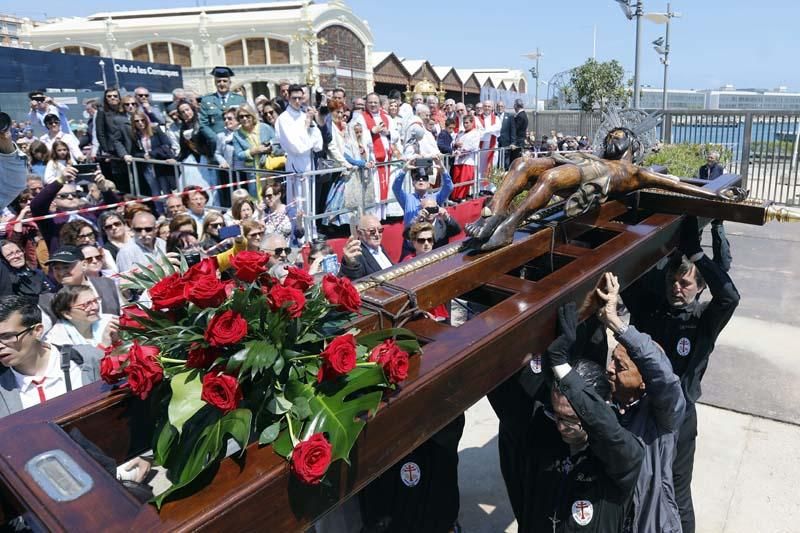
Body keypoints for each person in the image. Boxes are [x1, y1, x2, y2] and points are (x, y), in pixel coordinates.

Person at [623, 216, 740, 533]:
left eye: (685, 282)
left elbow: (730, 297)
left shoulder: (703, 320)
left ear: (700, 287)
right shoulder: (650, 310)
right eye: (673, 280)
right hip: (640, 412)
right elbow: (627, 275)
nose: (677, 287)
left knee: (675, 488)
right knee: (634, 481)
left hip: (679, 418)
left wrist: (699, 255)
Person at [596, 272, 685, 533]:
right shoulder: (606, 409)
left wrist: (617, 324)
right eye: (612, 360)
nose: (610, 370)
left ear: (644, 381)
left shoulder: (661, 419)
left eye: (620, 366)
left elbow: (665, 378)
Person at [275, 84, 323, 227]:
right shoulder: (283, 119)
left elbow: (318, 144)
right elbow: (296, 146)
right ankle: (298, 233)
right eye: (294, 98)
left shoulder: (304, 115)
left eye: (300, 98)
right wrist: (306, 127)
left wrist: (309, 124)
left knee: (309, 200)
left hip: (308, 163)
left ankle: (311, 231)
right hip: (295, 163)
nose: (297, 101)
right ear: (288, 98)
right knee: (298, 200)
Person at [125, 112, 175, 211]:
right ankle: (160, 213)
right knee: (155, 192)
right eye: (137, 121)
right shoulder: (135, 135)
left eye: (142, 120)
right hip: (147, 168)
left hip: (160, 166)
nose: (140, 123)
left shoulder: (156, 130)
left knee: (166, 191)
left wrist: (152, 154)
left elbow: (166, 144)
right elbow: (134, 152)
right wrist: (143, 155)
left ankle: (170, 211)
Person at [44, 285, 119, 348]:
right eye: (86, 304)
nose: (95, 307)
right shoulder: (57, 339)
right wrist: (103, 345)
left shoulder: (110, 321)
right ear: (67, 314)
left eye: (95, 301)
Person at [233, 104, 280, 198]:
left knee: (272, 196)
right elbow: (238, 154)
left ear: (252, 115)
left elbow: (278, 144)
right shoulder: (237, 134)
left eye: (247, 115)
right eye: (241, 117)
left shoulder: (264, 127)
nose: (245, 118)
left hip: (269, 169)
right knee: (257, 199)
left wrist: (270, 149)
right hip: (253, 173)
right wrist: (253, 151)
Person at [176, 99, 218, 205]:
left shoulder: (202, 123)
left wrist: (209, 154)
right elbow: (183, 149)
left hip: (205, 160)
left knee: (209, 187)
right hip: (192, 161)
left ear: (192, 109)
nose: (186, 113)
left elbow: (212, 139)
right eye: (183, 112)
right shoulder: (183, 127)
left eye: (187, 110)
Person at [392, 156, 453, 229]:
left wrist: (443, 170)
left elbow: (449, 187)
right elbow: (396, 188)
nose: (421, 180)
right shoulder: (407, 199)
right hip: (411, 236)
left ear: (428, 184)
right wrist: (404, 170)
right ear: (413, 183)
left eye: (425, 179)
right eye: (417, 178)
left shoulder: (435, 197)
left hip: (429, 236)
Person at [340, 214, 393, 280]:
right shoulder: (356, 254)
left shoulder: (380, 248)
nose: (377, 234)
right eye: (372, 231)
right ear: (359, 233)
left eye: (380, 230)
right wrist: (350, 264)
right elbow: (353, 280)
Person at [200, 66, 247, 140]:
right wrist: (215, 138)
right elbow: (203, 124)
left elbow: (245, 119)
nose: (222, 84)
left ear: (230, 83)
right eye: (218, 81)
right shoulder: (207, 100)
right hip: (215, 141)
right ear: (215, 83)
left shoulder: (239, 99)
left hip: (238, 139)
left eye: (225, 81)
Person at [450, 114, 481, 202]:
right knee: (456, 179)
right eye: (464, 123)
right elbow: (453, 142)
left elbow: (473, 146)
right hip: (458, 160)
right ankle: (455, 198)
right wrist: (455, 144)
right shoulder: (461, 133)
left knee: (464, 180)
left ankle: (461, 198)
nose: (465, 125)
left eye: (467, 123)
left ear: (472, 123)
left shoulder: (476, 133)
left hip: (468, 160)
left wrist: (462, 151)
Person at [476, 100, 501, 180]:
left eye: (489, 106)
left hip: (492, 146)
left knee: (492, 166)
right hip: (481, 147)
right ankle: (480, 188)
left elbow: (497, 129)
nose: (487, 108)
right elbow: (478, 132)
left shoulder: (496, 118)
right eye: (485, 106)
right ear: (483, 107)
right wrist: (490, 131)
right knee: (480, 168)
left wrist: (485, 130)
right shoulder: (477, 119)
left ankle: (491, 189)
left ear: (492, 108)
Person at [497, 101, 516, 170]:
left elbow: (513, 130)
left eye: (501, 106)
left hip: (506, 143)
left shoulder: (510, 116)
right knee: (497, 161)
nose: (500, 108)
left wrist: (513, 142)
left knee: (506, 162)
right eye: (498, 106)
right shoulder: (494, 116)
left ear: (504, 107)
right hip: (496, 143)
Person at [511, 99, 528, 163]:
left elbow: (515, 128)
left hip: (518, 141)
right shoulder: (522, 114)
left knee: (516, 159)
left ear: (516, 106)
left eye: (514, 105)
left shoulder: (520, 116)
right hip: (520, 140)